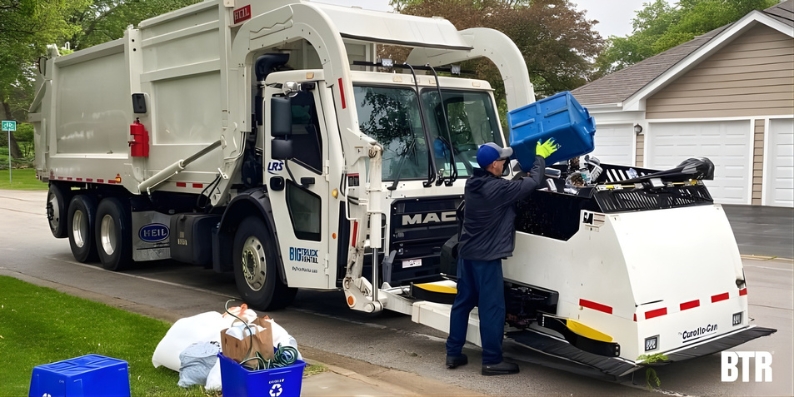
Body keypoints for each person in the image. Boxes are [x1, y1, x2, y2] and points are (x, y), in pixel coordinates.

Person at [445, 139, 558, 376]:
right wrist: (540, 159)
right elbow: (534, 182)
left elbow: (507, 187)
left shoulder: (473, 183)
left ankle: (453, 353)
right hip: (487, 259)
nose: (506, 162)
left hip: (467, 256)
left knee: (462, 304)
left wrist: (519, 173)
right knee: (492, 308)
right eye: (503, 160)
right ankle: (492, 361)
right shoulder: (498, 189)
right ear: (494, 165)